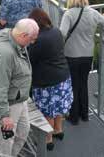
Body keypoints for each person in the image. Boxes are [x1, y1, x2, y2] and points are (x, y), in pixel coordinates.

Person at [0, 18, 39, 157]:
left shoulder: (17, 43)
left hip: (19, 100)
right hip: (7, 104)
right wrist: (4, 116)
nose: (33, 42)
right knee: (5, 144)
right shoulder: (5, 54)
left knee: (22, 133)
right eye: (32, 39)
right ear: (23, 35)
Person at [60, 0, 104, 125]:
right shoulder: (93, 12)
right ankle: (84, 114)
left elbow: (63, 33)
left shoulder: (69, 14)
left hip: (71, 54)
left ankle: (74, 116)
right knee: (83, 83)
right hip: (87, 54)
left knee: (74, 85)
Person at [28, 8, 72, 150]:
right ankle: (58, 130)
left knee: (47, 111)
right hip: (63, 76)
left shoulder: (38, 40)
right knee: (58, 107)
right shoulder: (56, 32)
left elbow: (30, 59)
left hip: (46, 81)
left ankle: (48, 139)